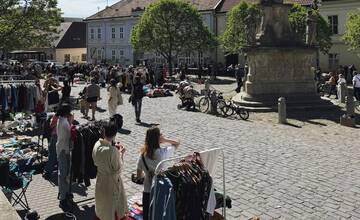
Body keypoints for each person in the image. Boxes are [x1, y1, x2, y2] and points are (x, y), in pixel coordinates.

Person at [134, 127, 180, 220]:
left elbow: (139, 175)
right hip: (161, 190)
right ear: (158, 139)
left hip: (147, 190)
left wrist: (146, 175)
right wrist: (165, 140)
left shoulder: (142, 155)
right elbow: (177, 143)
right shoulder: (163, 153)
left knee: (147, 216)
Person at [92, 122, 127, 220]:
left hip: (101, 180)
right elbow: (118, 169)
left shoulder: (97, 144)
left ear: (104, 132)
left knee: (102, 207)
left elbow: (96, 162)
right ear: (115, 134)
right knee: (112, 209)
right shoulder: (112, 151)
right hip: (111, 183)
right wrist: (121, 154)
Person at [56, 104, 74, 211]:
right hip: (63, 150)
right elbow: (68, 137)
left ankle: (64, 193)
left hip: (62, 149)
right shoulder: (64, 123)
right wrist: (71, 123)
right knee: (63, 174)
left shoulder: (61, 120)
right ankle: (62, 199)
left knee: (63, 173)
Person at [42, 113, 59, 180]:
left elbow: (51, 126)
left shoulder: (56, 116)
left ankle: (48, 172)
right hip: (63, 137)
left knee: (52, 154)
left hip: (56, 136)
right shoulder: (70, 115)